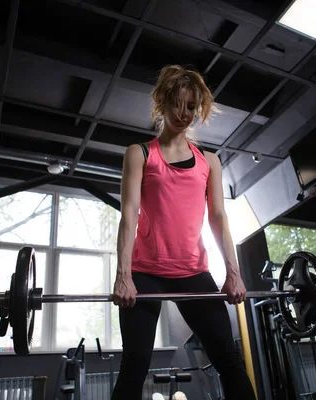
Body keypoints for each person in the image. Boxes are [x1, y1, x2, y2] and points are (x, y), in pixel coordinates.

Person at [110, 64, 256, 400]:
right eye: (177, 103)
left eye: (191, 107)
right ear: (162, 103)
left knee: (230, 361)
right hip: (145, 273)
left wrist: (233, 273)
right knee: (135, 363)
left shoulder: (210, 161)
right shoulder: (141, 154)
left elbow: (218, 218)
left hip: (193, 272)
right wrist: (123, 275)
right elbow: (129, 215)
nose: (184, 113)